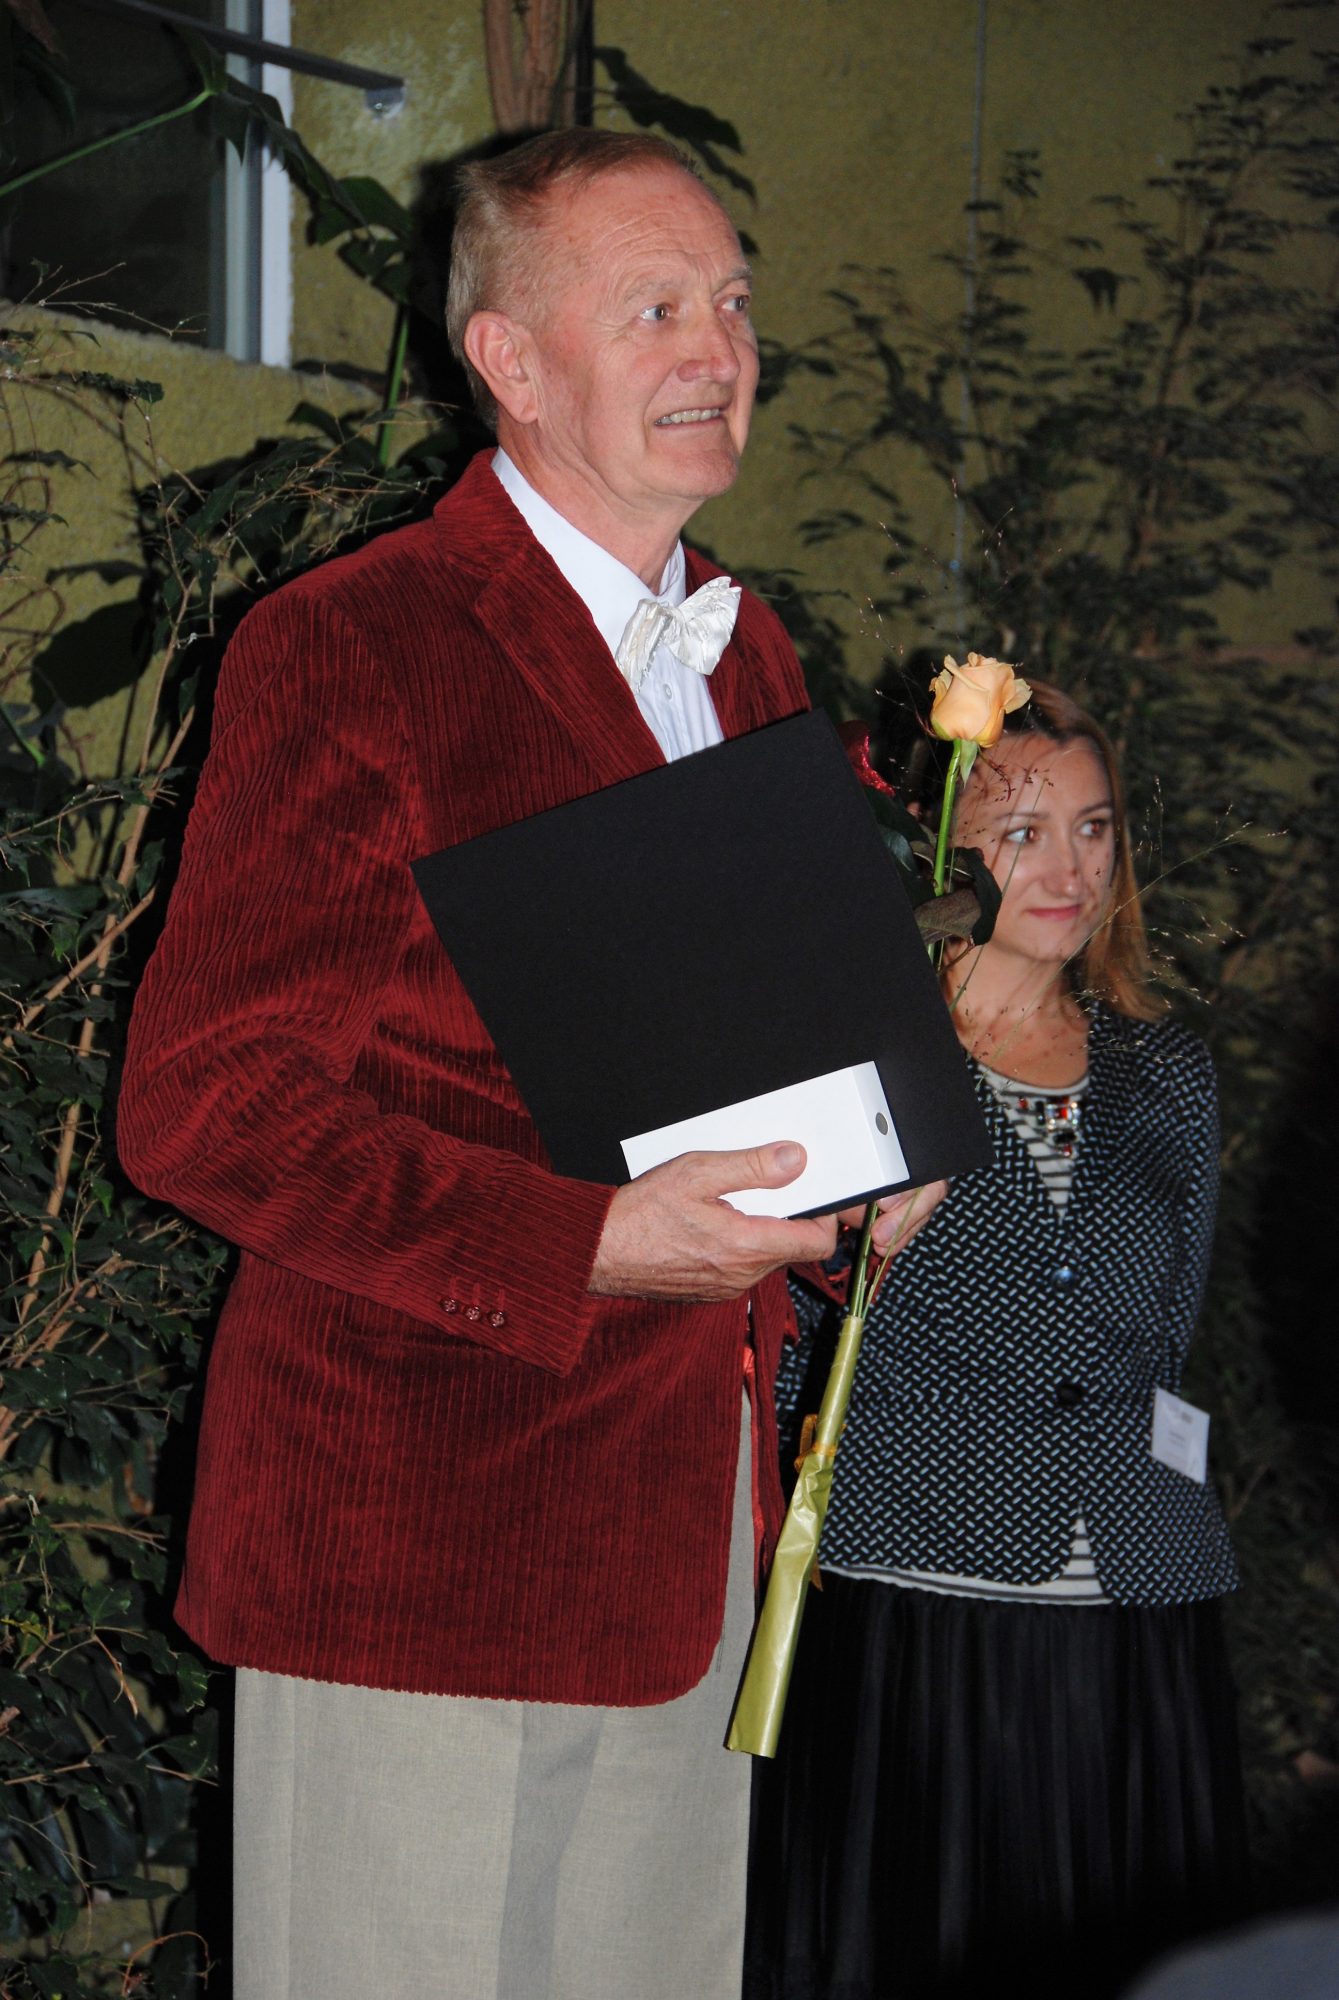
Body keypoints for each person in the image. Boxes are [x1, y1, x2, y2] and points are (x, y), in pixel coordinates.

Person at [116, 129, 938, 2000]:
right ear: (509, 358)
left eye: (732, 302)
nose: (718, 349)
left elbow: (772, 1058)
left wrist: (875, 1167)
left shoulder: (747, 654)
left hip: (686, 1537)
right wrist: (588, 1244)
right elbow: (207, 1103)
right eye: (655, 309)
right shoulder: (355, 645)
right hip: (417, 1542)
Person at [745, 680, 1248, 2000]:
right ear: (942, 848)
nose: (1071, 870)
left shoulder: (1169, 1073)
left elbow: (1167, 1344)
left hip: (1139, 1609)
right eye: (1024, 833)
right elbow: (782, 1334)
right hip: (919, 1600)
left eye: (1095, 829)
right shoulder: (861, 1065)